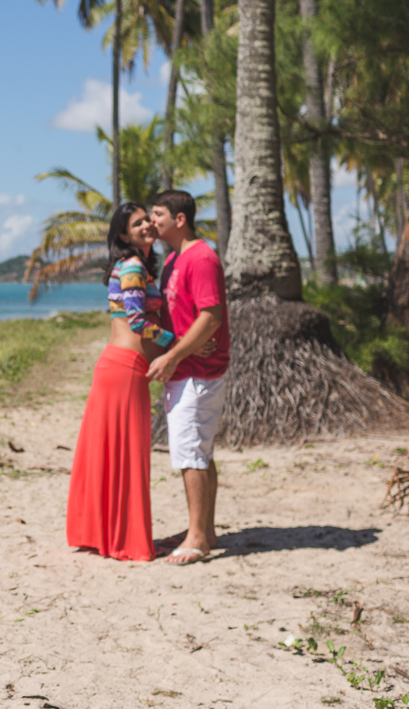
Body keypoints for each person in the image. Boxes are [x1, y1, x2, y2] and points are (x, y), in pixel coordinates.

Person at [65, 202, 175, 561]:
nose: (147, 226)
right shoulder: (131, 266)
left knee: (111, 454)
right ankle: (124, 539)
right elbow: (138, 321)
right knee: (128, 456)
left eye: (148, 220)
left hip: (120, 367)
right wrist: (176, 343)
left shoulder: (135, 265)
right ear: (124, 235)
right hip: (124, 369)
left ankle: (103, 535)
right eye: (138, 223)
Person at [147, 190, 230, 565]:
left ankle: (197, 538)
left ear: (180, 219)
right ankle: (204, 530)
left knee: (191, 453)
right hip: (186, 368)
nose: (152, 221)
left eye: (158, 214)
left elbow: (211, 316)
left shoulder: (201, 257)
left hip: (199, 373)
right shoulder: (173, 259)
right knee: (199, 451)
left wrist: (174, 355)